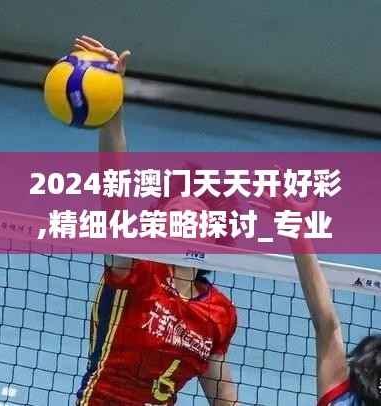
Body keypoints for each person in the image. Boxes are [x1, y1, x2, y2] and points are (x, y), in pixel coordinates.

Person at [74, 36, 239, 406]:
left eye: (194, 214)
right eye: (172, 210)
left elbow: (222, 394)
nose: (182, 217)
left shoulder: (219, 312)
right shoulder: (136, 266)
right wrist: (112, 106)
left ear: (213, 233)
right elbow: (113, 187)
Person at [251, 189, 381, 406]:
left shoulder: (342, 394)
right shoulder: (343, 393)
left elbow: (327, 325)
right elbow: (327, 325)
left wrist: (297, 230)